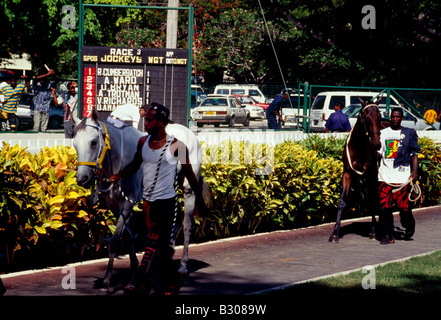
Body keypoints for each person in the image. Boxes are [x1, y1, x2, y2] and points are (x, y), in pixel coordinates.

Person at [110, 102, 208, 295]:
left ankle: (137, 281)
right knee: (159, 247)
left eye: (150, 120)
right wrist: (119, 174)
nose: (145, 123)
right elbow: (135, 164)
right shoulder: (143, 142)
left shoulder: (176, 146)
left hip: (166, 204)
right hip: (148, 204)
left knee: (153, 242)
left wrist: (201, 203)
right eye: (146, 119)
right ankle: (170, 282)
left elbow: (190, 176)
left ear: (161, 123)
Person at [377, 107, 420, 244]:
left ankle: (409, 225)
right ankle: (388, 235)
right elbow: (378, 154)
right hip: (385, 176)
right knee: (384, 207)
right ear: (390, 117)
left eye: (397, 117)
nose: (395, 119)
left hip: (402, 177)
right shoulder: (382, 133)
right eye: (393, 116)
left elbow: (414, 155)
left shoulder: (409, 133)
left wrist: (414, 173)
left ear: (402, 118)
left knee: (404, 207)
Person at [32, 68, 59, 132]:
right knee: (36, 126)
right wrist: (47, 74)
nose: (42, 81)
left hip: (46, 108)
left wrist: (52, 74)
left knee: (44, 128)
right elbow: (36, 79)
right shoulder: (36, 84)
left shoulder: (49, 85)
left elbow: (57, 80)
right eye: (41, 80)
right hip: (37, 108)